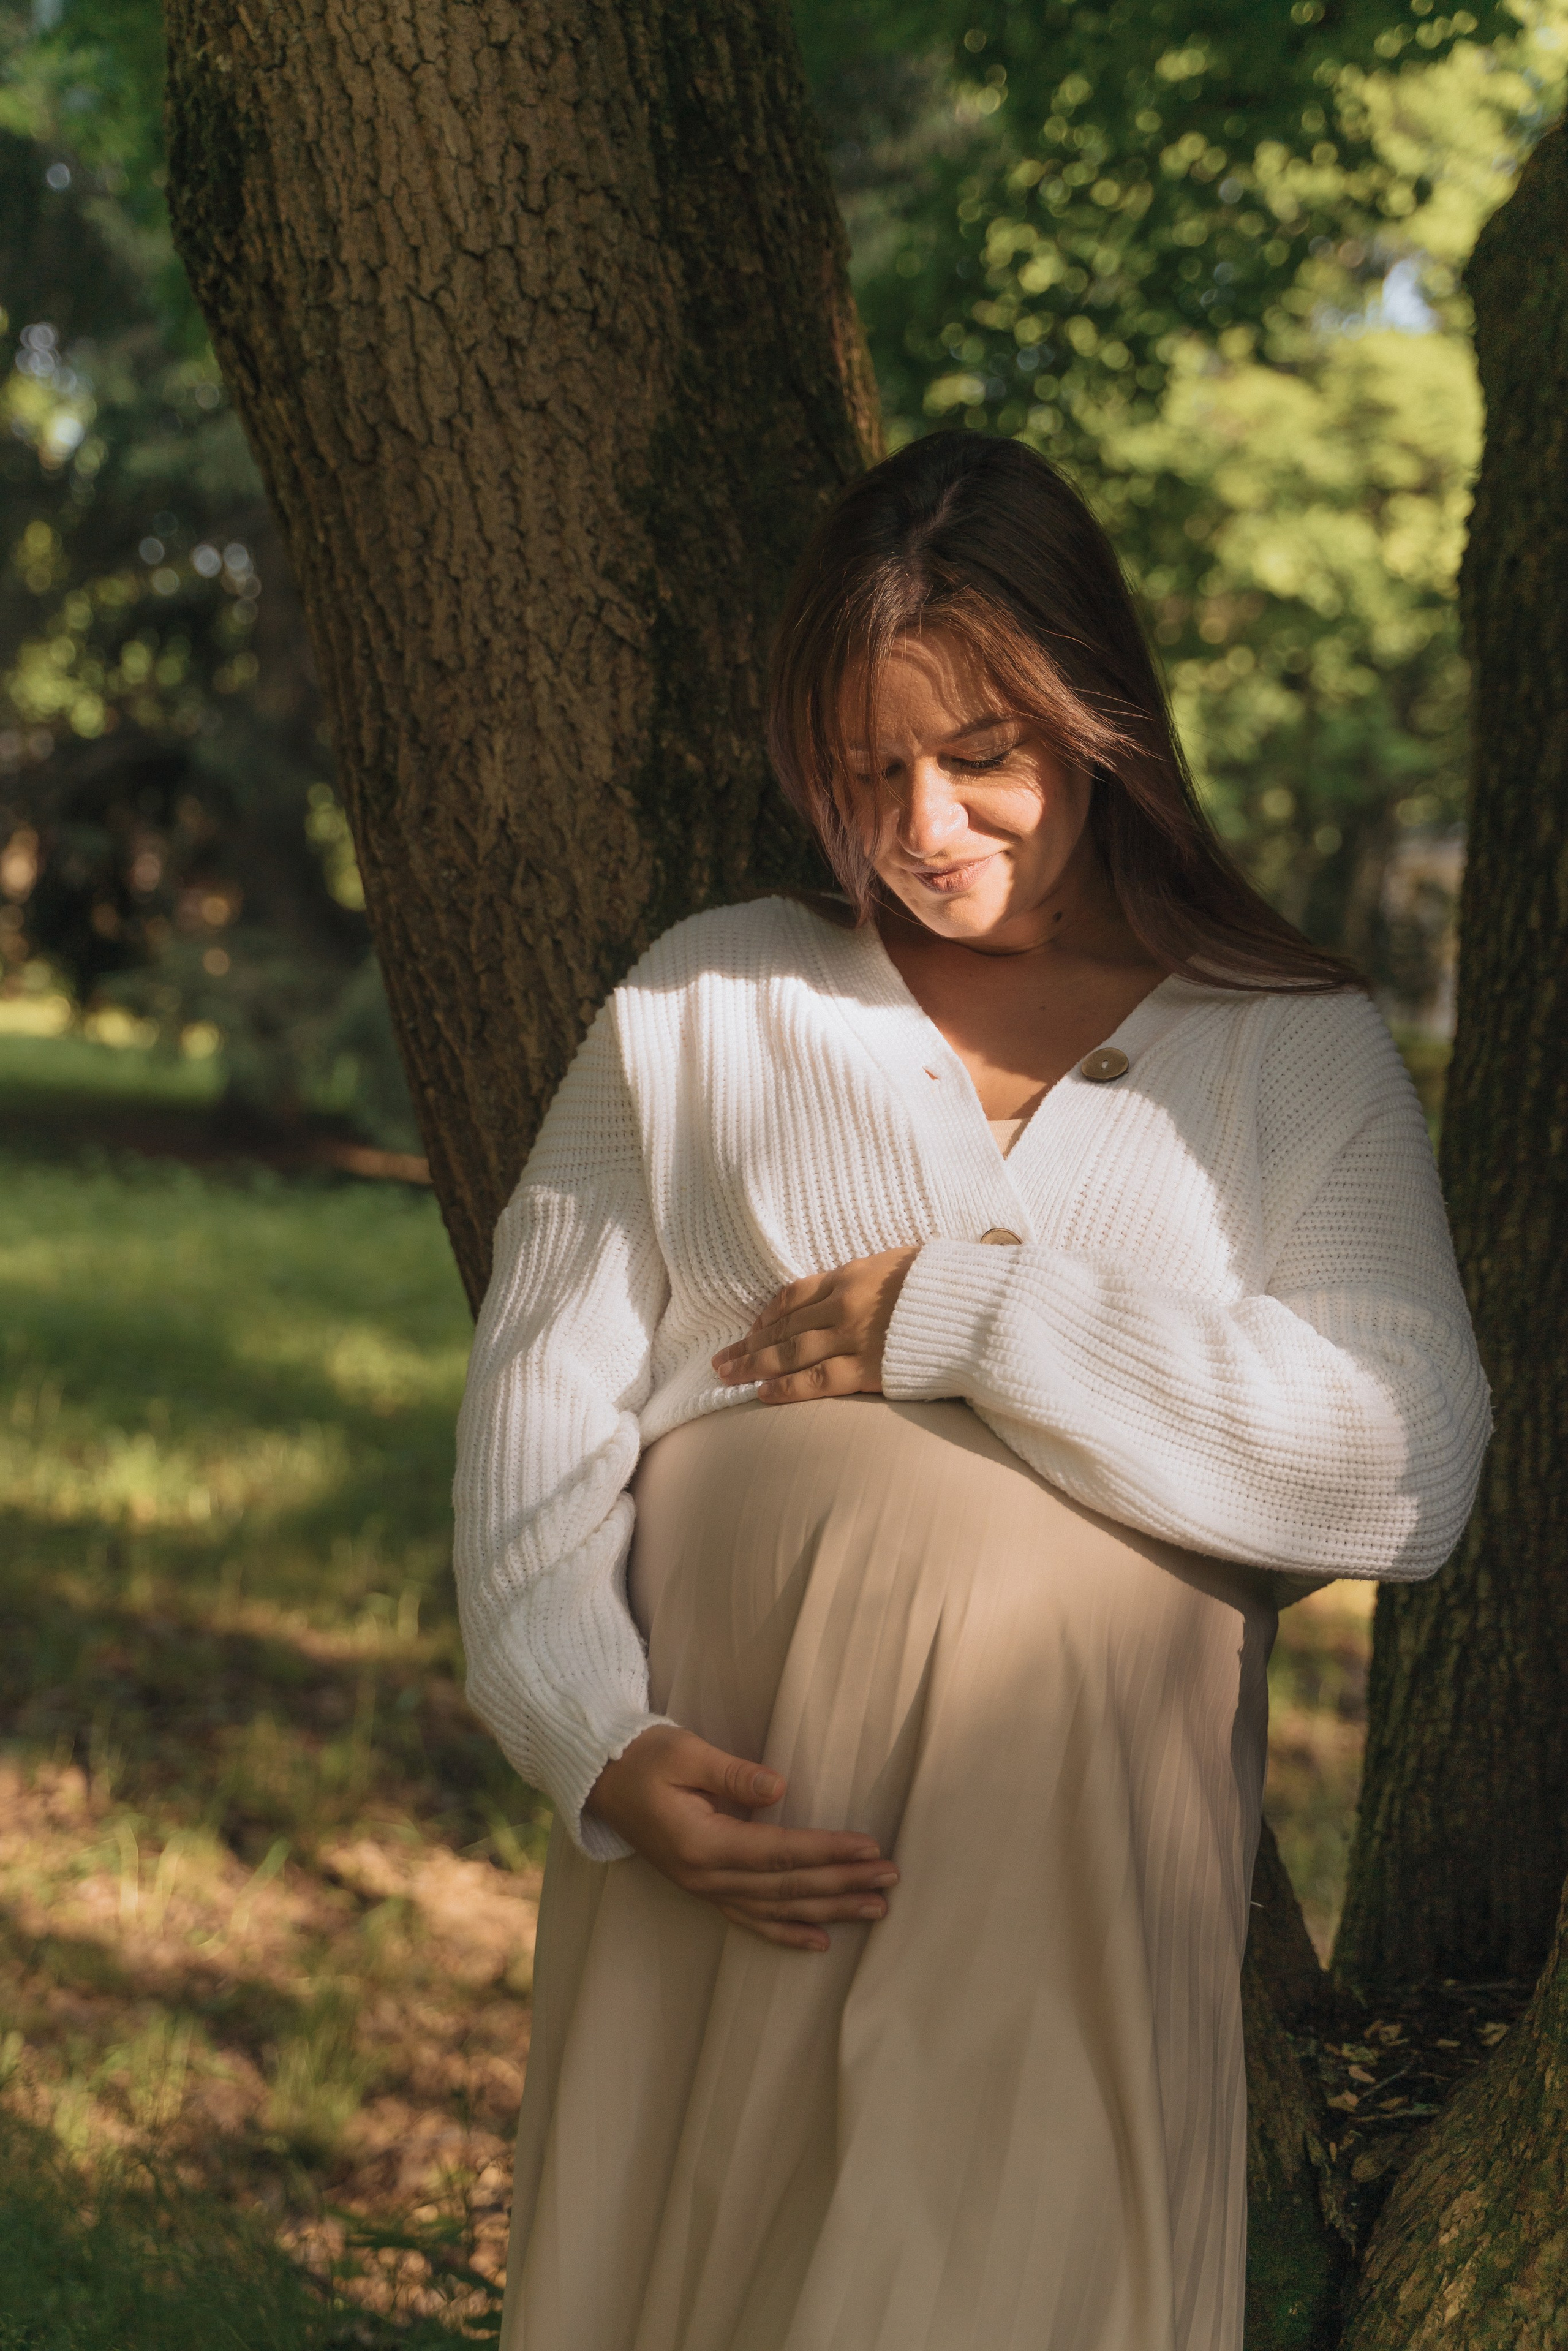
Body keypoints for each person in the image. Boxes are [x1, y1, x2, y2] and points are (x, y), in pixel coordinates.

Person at [453, 433, 1488, 2351]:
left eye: (981, 756)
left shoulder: (1288, 1051)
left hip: (1055, 1874)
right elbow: (540, 1403)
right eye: (865, 774)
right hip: (730, 1830)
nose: (923, 826)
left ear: (1099, 727)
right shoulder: (712, 1003)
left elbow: (1409, 1459)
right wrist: (591, 1738)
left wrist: (981, 1318)